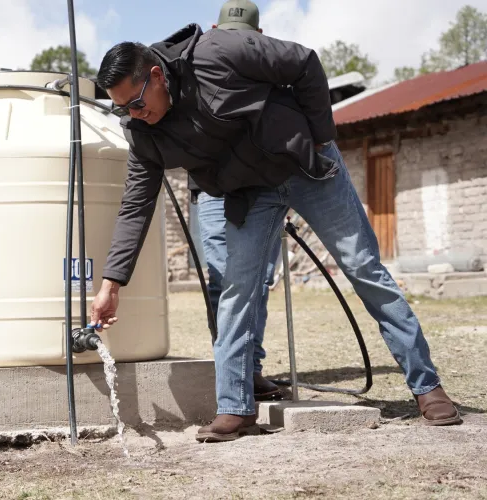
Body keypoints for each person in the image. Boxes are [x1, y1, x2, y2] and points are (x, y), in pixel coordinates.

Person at [89, 0, 462, 443]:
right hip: (250, 193)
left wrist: (321, 141)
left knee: (364, 269)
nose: (133, 114)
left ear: (155, 76)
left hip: (305, 169)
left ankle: (427, 387)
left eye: (135, 103)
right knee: (235, 291)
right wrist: (112, 284)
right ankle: (235, 409)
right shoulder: (143, 131)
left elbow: (305, 63)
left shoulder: (218, 51)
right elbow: (136, 204)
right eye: (121, 109)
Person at [191, 0, 282, 402]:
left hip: (259, 189)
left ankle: (251, 367)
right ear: (213, 29)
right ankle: (229, 371)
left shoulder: (270, 71)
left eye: (243, 38)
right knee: (223, 279)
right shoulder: (197, 70)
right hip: (212, 190)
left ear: (258, 38)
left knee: (258, 278)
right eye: (227, 35)